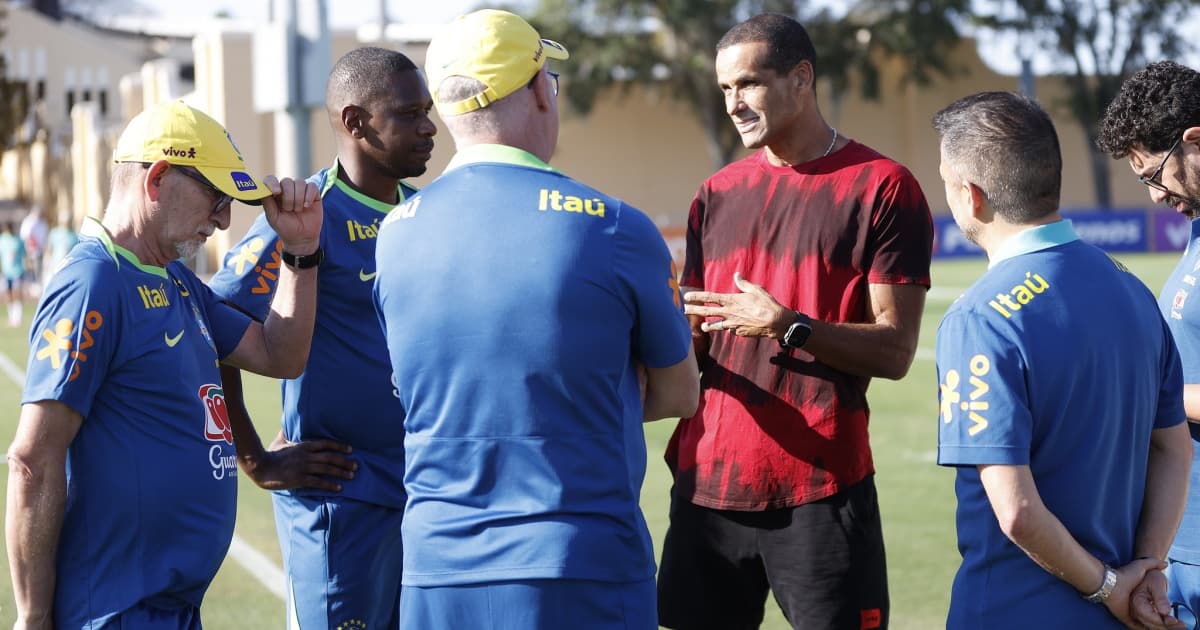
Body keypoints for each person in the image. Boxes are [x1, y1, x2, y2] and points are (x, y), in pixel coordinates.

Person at [373, 9, 700, 629]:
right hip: (579, 563)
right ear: (537, 93)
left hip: (438, 566)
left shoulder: (394, 234)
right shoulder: (615, 226)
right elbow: (680, 392)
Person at [659, 13, 933, 630]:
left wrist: (789, 324)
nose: (733, 103)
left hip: (821, 491)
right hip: (706, 490)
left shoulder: (883, 188)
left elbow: (894, 351)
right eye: (725, 88)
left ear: (801, 78)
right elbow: (697, 342)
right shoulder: (716, 193)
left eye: (749, 84)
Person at [6, 99, 323, 629]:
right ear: (157, 179)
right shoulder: (95, 282)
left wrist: (301, 250)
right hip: (114, 611)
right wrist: (33, 617)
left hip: (170, 608)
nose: (223, 220)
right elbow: (33, 459)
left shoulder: (175, 280)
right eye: (215, 197)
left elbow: (280, 353)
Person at [933, 91, 1191, 629]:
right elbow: (1174, 448)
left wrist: (1108, 588)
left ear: (971, 196)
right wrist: (1146, 567)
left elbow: (1018, 510)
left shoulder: (979, 318)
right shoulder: (1133, 289)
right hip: (1125, 611)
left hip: (1013, 609)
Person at [207, 46, 437, 630]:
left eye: (428, 110)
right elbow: (211, 329)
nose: (429, 126)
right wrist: (254, 458)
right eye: (410, 114)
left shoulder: (427, 214)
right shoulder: (308, 215)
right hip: (342, 501)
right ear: (355, 122)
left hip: (430, 497)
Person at [1098, 60, 1200, 629]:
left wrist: (1145, 393)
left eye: (1153, 174)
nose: (1156, 196)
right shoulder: (1198, 224)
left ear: (1194, 141)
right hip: (1180, 544)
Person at [0, 220, 26, 327]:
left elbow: (24, 254)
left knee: (16, 293)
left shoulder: (18, 241)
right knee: (8, 294)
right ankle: (12, 318)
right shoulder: (2, 240)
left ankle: (17, 318)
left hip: (17, 271)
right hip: (6, 272)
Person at [42, 209, 79, 284]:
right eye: (65, 222)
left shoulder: (74, 235)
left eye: (68, 221)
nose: (66, 223)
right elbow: (49, 248)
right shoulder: (55, 233)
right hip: (55, 265)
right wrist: (47, 262)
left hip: (69, 267)